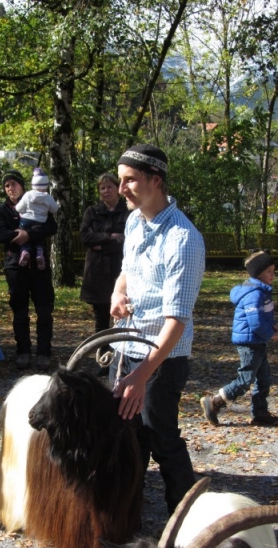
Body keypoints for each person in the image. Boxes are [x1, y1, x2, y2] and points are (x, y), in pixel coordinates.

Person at [108, 143, 205, 516]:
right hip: (126, 346)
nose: (122, 189)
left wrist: (141, 375)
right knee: (125, 435)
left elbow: (177, 321)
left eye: (130, 180)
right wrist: (118, 293)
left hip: (162, 360)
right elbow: (127, 272)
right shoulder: (135, 221)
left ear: (156, 181)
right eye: (120, 180)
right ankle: (125, 515)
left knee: (161, 438)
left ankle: (184, 523)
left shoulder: (184, 239)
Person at [200, 251, 278, 427]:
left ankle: (260, 413)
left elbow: (263, 316)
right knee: (245, 380)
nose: (273, 275)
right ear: (258, 273)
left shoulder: (261, 292)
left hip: (257, 341)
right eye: (269, 272)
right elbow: (256, 322)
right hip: (250, 343)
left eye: (274, 271)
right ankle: (214, 401)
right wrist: (271, 335)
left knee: (264, 378)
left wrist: (272, 326)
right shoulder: (254, 294)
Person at [0, 169, 57, 371]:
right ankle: (23, 351)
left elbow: (51, 227)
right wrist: (18, 235)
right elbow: (1, 234)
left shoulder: (39, 201)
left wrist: (27, 234)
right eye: (6, 185)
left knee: (44, 310)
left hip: (40, 266)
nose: (10, 188)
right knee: (19, 311)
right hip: (15, 266)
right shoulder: (2, 210)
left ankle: (44, 353)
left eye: (13, 184)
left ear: (23, 185)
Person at [79, 172, 130, 375]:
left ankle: (122, 359)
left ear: (117, 188)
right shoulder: (92, 212)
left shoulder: (127, 211)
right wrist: (111, 237)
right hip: (97, 272)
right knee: (101, 320)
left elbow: (128, 239)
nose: (106, 191)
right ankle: (103, 360)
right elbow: (85, 236)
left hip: (120, 271)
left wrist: (101, 243)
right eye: (102, 188)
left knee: (123, 317)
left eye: (110, 186)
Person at [15, 167, 59, 270]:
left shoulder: (28, 195)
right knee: (39, 238)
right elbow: (55, 209)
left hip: (25, 220)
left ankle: (25, 251)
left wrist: (22, 211)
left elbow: (18, 208)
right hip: (41, 222)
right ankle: (39, 253)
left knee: (24, 240)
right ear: (46, 185)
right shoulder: (48, 197)